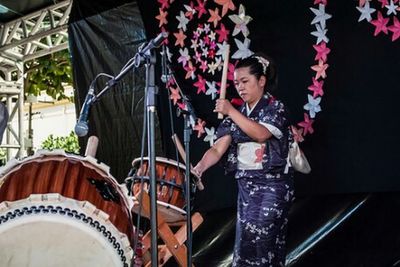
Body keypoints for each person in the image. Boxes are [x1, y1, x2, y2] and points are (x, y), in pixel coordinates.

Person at [193, 53, 294, 266]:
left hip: (272, 187)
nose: (240, 87)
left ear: (262, 81)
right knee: (245, 245)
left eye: (245, 81)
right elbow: (218, 149)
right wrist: (199, 167)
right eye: (236, 83)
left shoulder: (275, 109)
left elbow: (261, 134)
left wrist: (230, 110)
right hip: (246, 189)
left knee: (265, 241)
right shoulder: (237, 114)